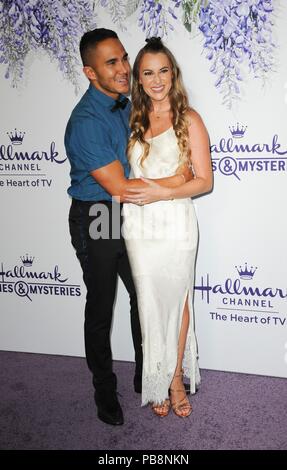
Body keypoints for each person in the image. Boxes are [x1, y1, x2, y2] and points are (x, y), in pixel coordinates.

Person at [65, 29, 192, 426]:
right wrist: (179, 182)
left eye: (123, 59)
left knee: (145, 296)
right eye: (111, 63)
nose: (124, 70)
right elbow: (120, 187)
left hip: (136, 214)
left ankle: (148, 376)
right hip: (100, 215)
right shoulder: (86, 122)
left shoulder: (128, 105)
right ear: (90, 72)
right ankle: (105, 389)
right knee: (102, 306)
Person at [123, 37, 213, 418]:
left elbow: (204, 181)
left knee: (178, 302)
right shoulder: (131, 117)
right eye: (148, 72)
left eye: (163, 70)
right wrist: (170, 182)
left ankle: (175, 379)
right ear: (138, 79)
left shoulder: (188, 118)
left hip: (176, 223)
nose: (156, 79)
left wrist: (163, 190)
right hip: (138, 227)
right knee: (148, 302)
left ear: (172, 74)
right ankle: (155, 378)